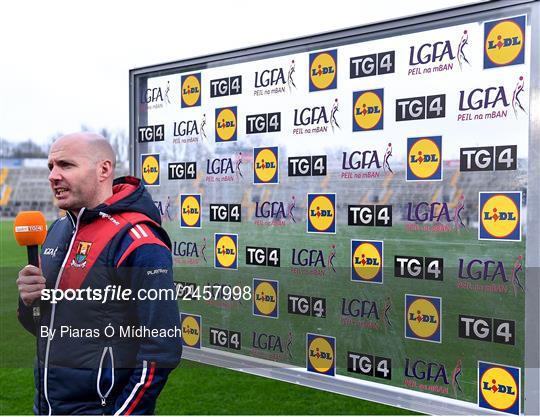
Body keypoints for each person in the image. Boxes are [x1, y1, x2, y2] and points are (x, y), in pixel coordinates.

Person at [16, 132, 181, 415]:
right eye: (50, 167)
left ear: (103, 169)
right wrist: (29, 303)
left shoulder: (137, 240)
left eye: (66, 165)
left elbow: (162, 347)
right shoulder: (57, 231)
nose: (53, 176)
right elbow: (46, 328)